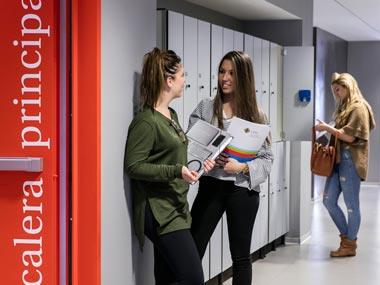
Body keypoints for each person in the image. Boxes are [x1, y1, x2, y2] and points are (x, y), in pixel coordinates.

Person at [124, 47, 214, 284]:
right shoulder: (146, 121)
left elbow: (173, 154)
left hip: (176, 204)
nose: (185, 81)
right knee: (193, 277)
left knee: (168, 276)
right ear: (169, 80)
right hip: (159, 210)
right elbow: (134, 166)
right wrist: (176, 171)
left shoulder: (170, 114)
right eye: (182, 75)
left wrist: (199, 164)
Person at [188, 51, 274, 285]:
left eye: (231, 73)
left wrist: (242, 167)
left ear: (243, 77)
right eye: (222, 71)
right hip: (210, 187)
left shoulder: (257, 115)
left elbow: (267, 160)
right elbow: (190, 144)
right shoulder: (206, 108)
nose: (224, 78)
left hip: (242, 192)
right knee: (193, 251)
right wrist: (208, 156)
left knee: (241, 258)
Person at [314, 72, 376, 257]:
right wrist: (328, 129)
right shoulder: (346, 107)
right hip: (339, 159)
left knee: (351, 205)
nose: (337, 94)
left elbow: (349, 136)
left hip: (350, 160)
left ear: (348, 87)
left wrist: (327, 128)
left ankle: (349, 245)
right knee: (328, 201)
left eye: (338, 90)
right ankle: (347, 239)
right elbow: (340, 132)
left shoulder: (358, 108)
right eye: (335, 91)